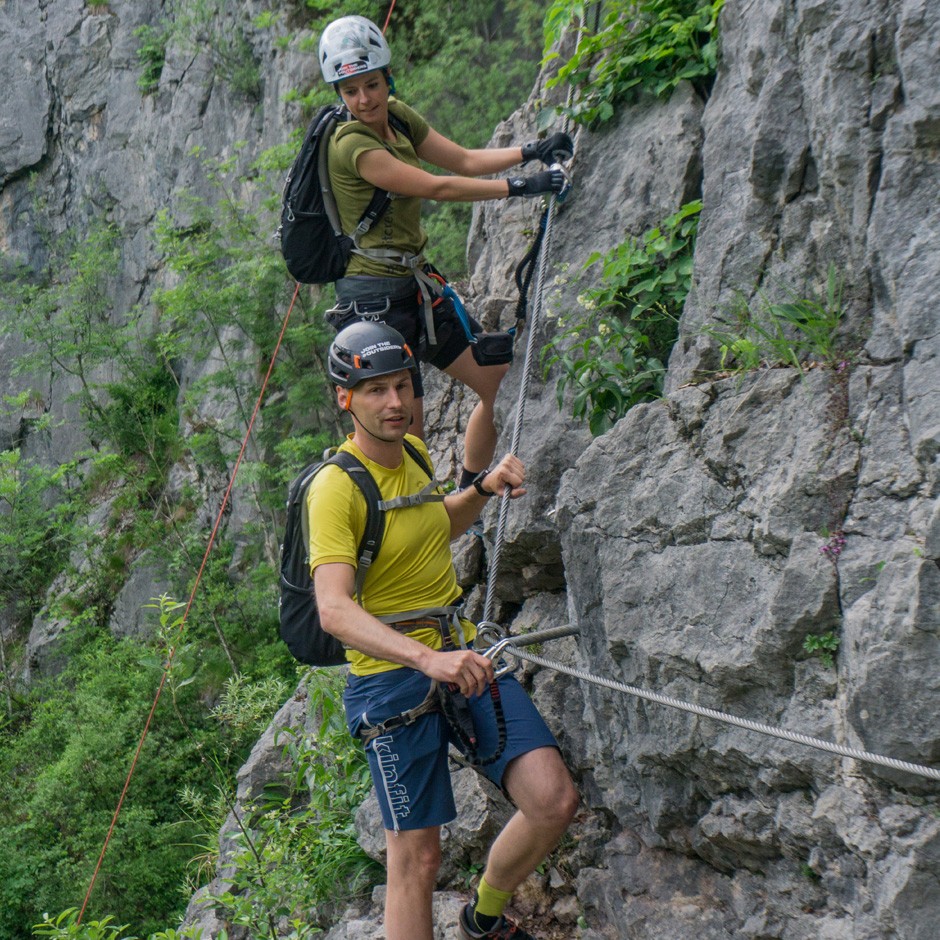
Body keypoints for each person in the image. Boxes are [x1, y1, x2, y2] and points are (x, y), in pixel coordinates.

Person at [309, 320, 579, 940]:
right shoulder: (334, 489)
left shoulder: (414, 454)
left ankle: (483, 917)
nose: (396, 402)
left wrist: (480, 489)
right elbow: (334, 609)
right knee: (417, 859)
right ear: (345, 398)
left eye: (403, 386)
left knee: (551, 799)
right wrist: (429, 663)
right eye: (376, 390)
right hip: (391, 682)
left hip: (457, 652)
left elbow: (436, 527)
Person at [317, 14, 573, 493]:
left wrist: (531, 151)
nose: (364, 99)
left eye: (371, 84)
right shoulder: (350, 143)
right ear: (340, 93)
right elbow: (439, 186)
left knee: (497, 382)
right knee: (406, 445)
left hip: (414, 290)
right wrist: (525, 187)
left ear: (386, 78)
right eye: (350, 90)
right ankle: (427, 529)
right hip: (375, 307)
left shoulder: (396, 116)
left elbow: (463, 160)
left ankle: (471, 499)